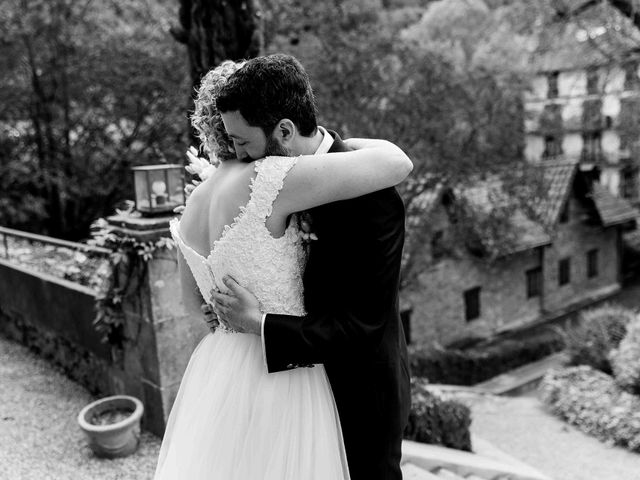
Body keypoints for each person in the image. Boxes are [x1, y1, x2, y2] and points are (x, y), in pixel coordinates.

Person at [153, 55, 412, 480]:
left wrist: (258, 323)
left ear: (285, 130)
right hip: (284, 387)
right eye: (232, 141)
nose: (238, 153)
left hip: (357, 391)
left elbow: (363, 325)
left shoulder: (369, 198)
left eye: (242, 142)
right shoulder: (268, 179)